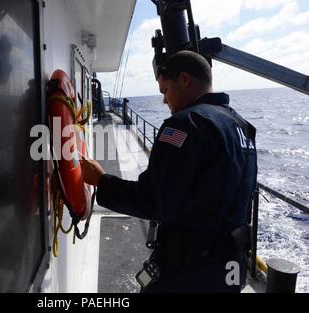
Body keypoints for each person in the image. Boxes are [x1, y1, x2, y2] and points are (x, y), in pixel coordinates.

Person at [80, 50, 258, 292]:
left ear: (184, 80)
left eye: (166, 90)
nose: (165, 100)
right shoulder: (242, 127)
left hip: (189, 272)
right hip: (231, 267)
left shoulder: (185, 124)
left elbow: (153, 201)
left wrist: (101, 180)